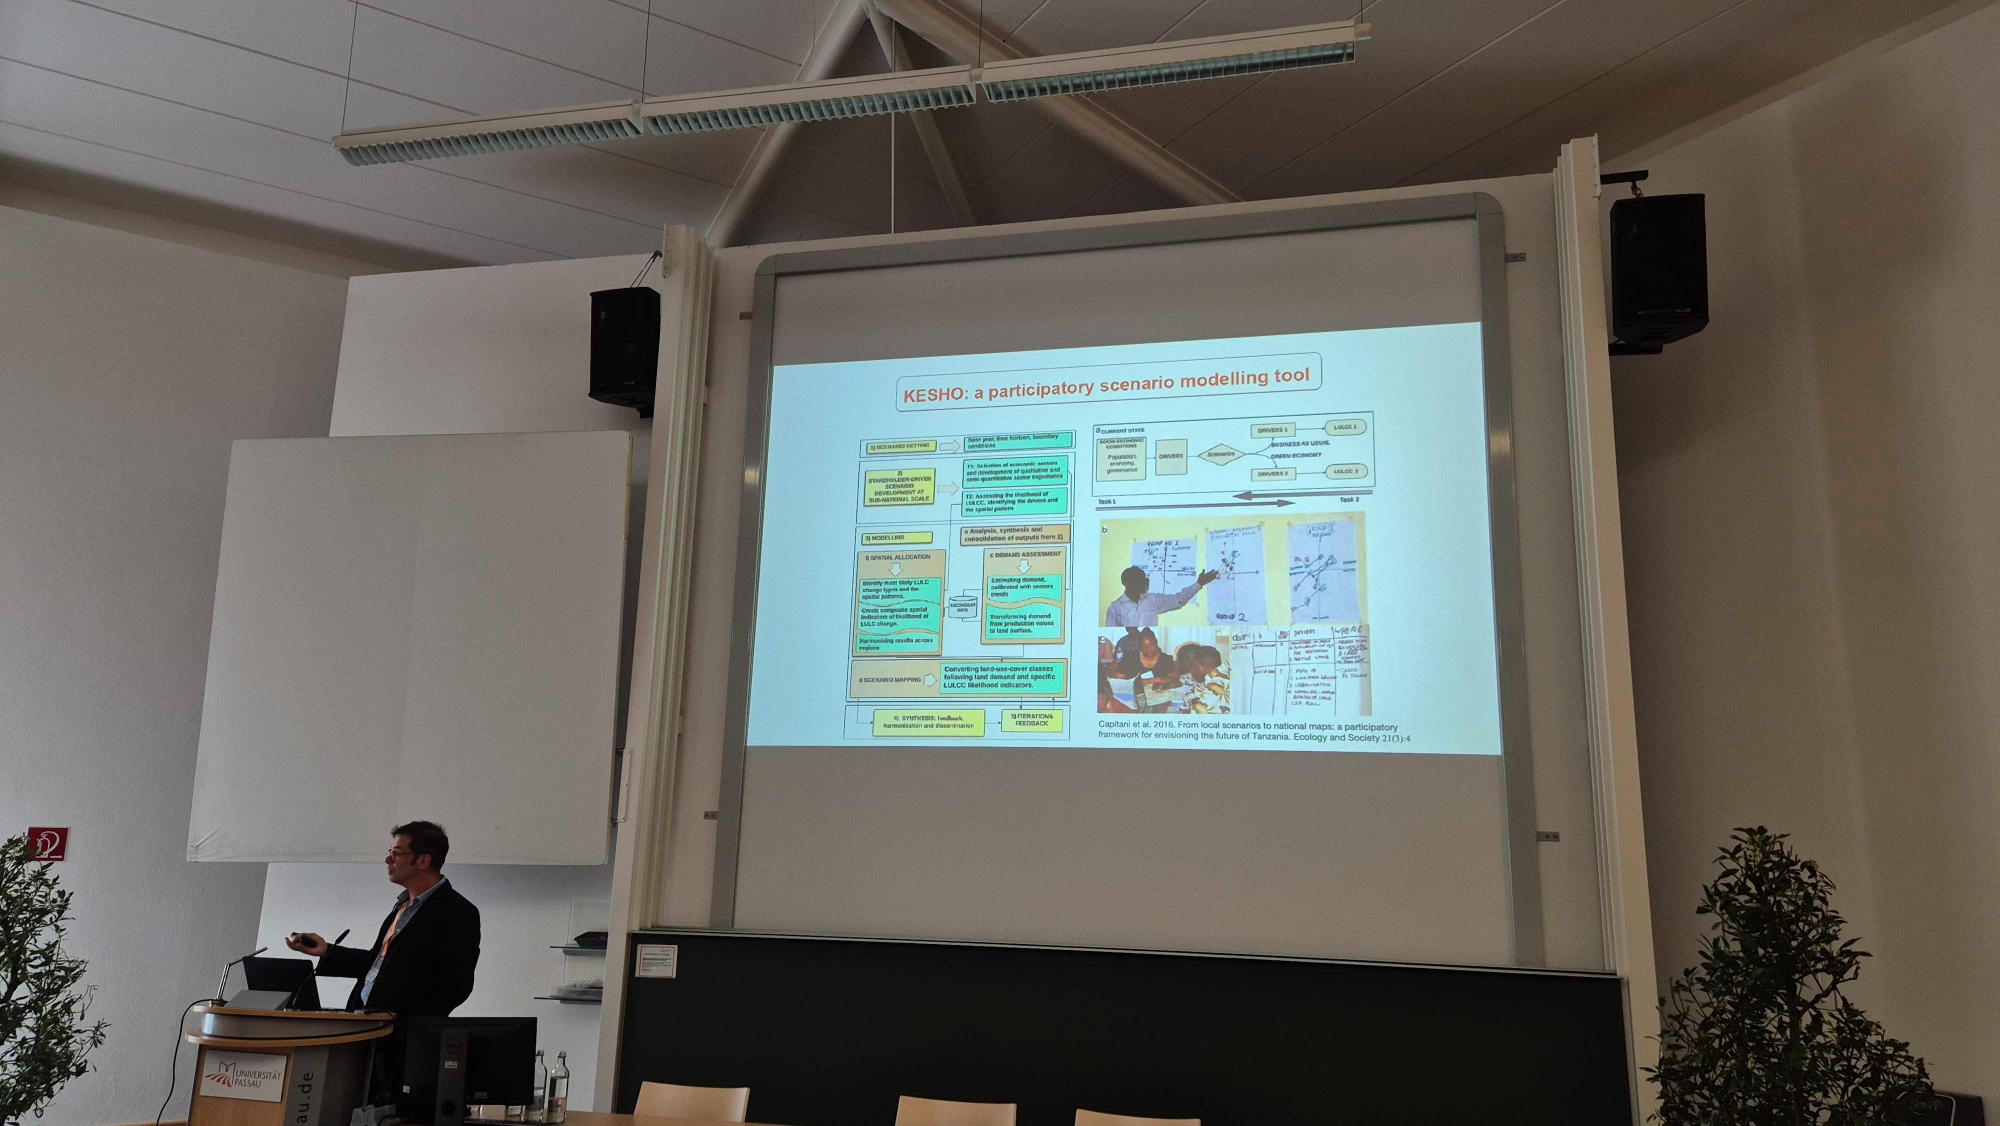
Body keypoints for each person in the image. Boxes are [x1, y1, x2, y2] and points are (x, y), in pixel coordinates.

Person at [286, 820, 480, 1098]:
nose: (388, 860)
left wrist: (402, 1023)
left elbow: (456, 985)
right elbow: (379, 964)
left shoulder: (458, 912)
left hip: (402, 1043)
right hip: (362, 1031)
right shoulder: (402, 906)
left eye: (397, 853)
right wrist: (327, 951)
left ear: (423, 860)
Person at [1104, 564, 1219, 626]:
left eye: (1145, 578)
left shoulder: (1152, 600)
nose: (1146, 582)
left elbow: (1178, 600)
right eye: (1140, 579)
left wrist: (1199, 583)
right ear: (1127, 583)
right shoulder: (1115, 608)